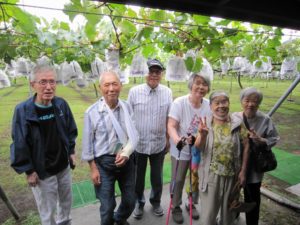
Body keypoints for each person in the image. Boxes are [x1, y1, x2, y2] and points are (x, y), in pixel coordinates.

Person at [10, 64, 78, 225]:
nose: (49, 87)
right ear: (32, 84)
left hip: (63, 166)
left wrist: (71, 151)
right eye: (43, 82)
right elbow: (19, 142)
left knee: (66, 202)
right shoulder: (23, 111)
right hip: (42, 171)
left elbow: (70, 129)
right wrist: (29, 170)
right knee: (47, 211)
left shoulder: (60, 105)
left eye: (52, 82)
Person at [81, 71, 139, 225]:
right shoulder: (91, 112)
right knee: (107, 206)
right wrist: (93, 169)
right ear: (100, 88)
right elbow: (87, 145)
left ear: (120, 86)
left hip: (126, 161)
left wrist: (126, 153)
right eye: (107, 85)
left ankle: (119, 219)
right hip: (103, 164)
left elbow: (134, 134)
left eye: (115, 84)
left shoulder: (127, 107)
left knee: (130, 201)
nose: (111, 89)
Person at [195, 91, 250, 225]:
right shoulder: (205, 123)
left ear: (229, 103)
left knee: (228, 214)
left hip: (232, 176)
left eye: (224, 102)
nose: (221, 106)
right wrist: (202, 135)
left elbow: (247, 146)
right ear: (211, 106)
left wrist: (243, 171)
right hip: (211, 176)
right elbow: (197, 147)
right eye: (217, 103)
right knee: (209, 216)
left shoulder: (238, 123)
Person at [128, 58, 172, 219]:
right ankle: (139, 203)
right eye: (151, 71)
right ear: (145, 73)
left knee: (157, 176)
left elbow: (169, 117)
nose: (154, 75)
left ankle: (155, 201)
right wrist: (129, 142)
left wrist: (168, 139)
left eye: (157, 72)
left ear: (161, 74)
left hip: (158, 143)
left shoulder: (167, 92)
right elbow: (128, 118)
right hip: (139, 144)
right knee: (137, 177)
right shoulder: (134, 92)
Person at [167, 73, 211, 224]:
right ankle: (175, 206)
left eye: (204, 84)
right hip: (180, 149)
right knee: (178, 179)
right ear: (191, 85)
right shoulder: (179, 103)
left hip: (198, 150)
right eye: (197, 83)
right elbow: (171, 126)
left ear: (208, 88)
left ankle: (191, 203)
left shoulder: (208, 105)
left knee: (195, 179)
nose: (201, 87)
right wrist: (177, 140)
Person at [233, 87, 279, 225]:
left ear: (259, 104)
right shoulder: (234, 117)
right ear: (242, 101)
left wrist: (262, 140)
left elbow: (275, 138)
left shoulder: (265, 119)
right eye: (247, 100)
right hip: (235, 164)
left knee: (252, 196)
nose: (251, 104)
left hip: (254, 166)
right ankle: (233, 214)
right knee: (233, 192)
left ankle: (252, 222)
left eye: (255, 101)